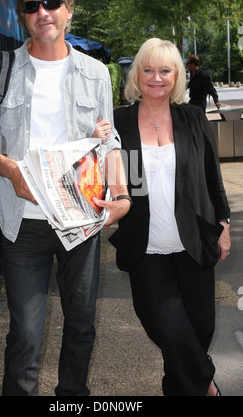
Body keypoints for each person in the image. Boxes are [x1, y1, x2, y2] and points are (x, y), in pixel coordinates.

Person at [0, 0, 130, 396]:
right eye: (33, 6)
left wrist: (122, 194)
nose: (43, 13)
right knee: (26, 336)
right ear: (23, 16)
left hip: (81, 221)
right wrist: (12, 170)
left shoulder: (96, 73)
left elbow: (108, 142)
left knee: (82, 326)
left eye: (52, 3)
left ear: (68, 10)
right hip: (24, 224)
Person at [109, 38, 231, 396]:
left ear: (177, 75)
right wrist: (100, 143)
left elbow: (213, 177)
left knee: (199, 330)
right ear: (137, 75)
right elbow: (117, 181)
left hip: (193, 243)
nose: (156, 78)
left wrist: (223, 225)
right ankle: (208, 386)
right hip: (145, 250)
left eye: (165, 70)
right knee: (169, 330)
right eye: (148, 69)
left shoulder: (192, 118)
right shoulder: (120, 122)